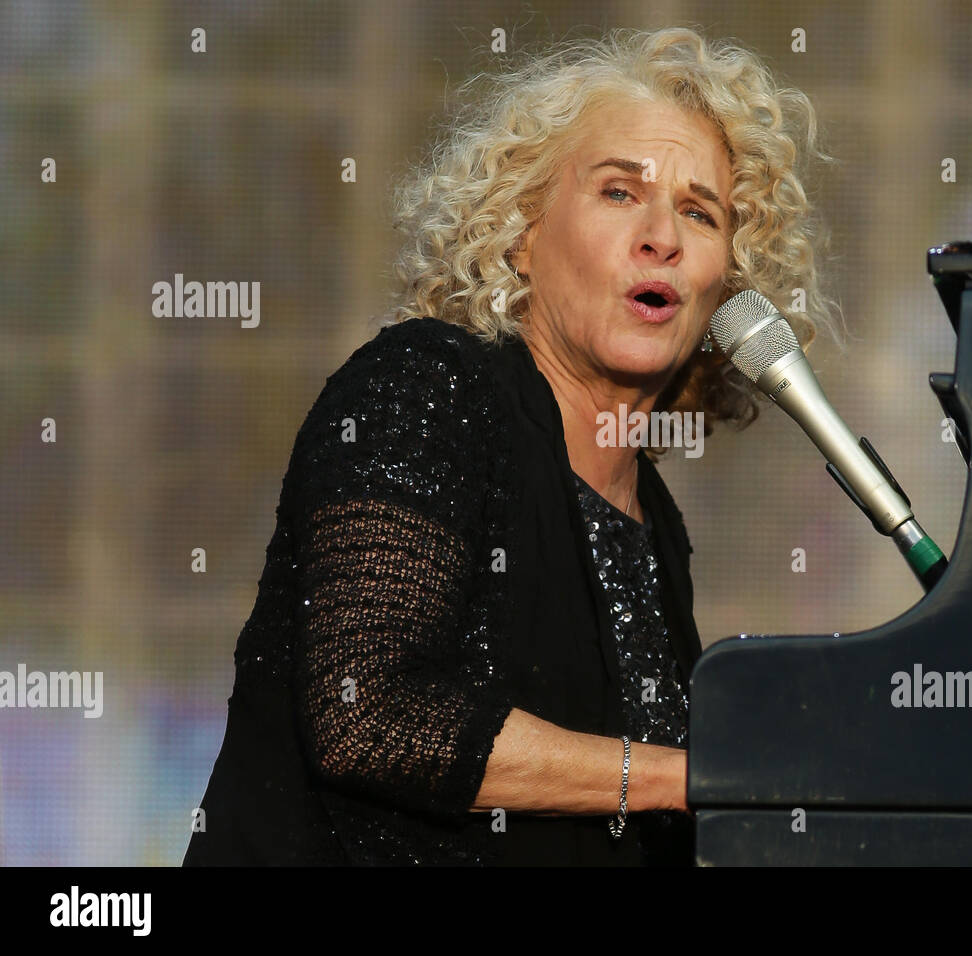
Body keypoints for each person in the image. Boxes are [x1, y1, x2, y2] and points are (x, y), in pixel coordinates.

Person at [183, 26, 840, 866]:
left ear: (728, 283)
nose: (662, 237)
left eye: (699, 212)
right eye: (617, 192)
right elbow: (368, 714)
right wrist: (699, 777)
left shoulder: (655, 524)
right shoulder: (427, 387)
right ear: (520, 232)